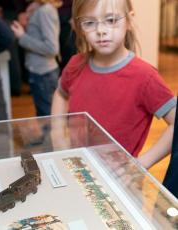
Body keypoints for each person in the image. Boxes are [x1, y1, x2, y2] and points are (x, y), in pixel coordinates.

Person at [51, 0, 177, 169]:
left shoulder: (145, 77)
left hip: (121, 180)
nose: (101, 31)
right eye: (89, 22)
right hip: (79, 167)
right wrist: (58, 134)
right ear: (79, 27)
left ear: (129, 21)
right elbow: (60, 93)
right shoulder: (75, 64)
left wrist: (142, 163)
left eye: (111, 20)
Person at [11, 0, 62, 116]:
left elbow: (52, 48)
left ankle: (48, 135)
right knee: (44, 114)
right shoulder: (42, 8)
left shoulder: (45, 11)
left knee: (47, 115)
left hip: (43, 73)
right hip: (41, 72)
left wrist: (22, 36)